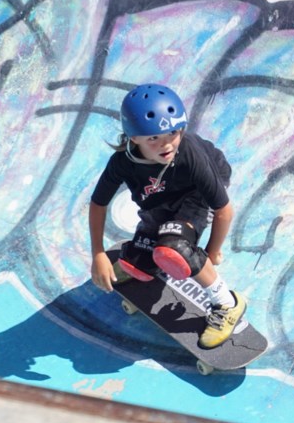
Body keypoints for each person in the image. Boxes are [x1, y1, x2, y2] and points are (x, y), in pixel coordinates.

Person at [88, 83, 245, 348]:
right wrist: (98, 254)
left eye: (173, 132)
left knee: (175, 248)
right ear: (133, 137)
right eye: (153, 139)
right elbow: (97, 204)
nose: (167, 144)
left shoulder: (189, 154)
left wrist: (211, 251)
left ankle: (226, 304)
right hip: (162, 197)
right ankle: (153, 255)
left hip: (196, 192)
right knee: (136, 263)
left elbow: (223, 210)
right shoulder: (122, 163)